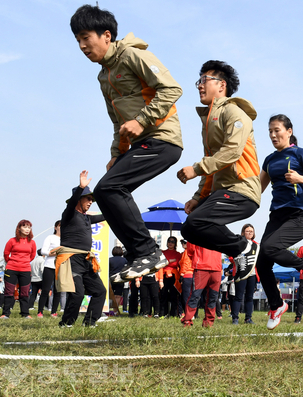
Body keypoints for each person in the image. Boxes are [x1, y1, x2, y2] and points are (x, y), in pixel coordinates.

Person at [71, 5, 183, 281]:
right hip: (139, 145)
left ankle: (148, 252)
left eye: (86, 37)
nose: (83, 46)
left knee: (111, 187)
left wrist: (143, 120)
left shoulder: (134, 55)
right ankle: (139, 256)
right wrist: (116, 153)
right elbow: (117, 121)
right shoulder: (103, 76)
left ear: (106, 35)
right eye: (78, 41)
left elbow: (172, 88)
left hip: (162, 139)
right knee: (105, 193)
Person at [179, 60, 261, 283]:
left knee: (196, 223)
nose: (199, 86)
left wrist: (196, 169)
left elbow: (232, 151)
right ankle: (242, 251)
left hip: (241, 190)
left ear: (221, 85)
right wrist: (198, 197)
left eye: (204, 80)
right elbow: (212, 163)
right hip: (222, 190)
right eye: (199, 81)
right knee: (189, 229)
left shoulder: (234, 112)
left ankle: (244, 247)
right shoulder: (208, 121)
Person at [255, 114, 303, 330]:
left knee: (269, 247)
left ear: (289, 131)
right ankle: (277, 305)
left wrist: (300, 178)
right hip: (276, 215)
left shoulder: (299, 153)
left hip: (298, 214)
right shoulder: (269, 159)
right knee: (262, 260)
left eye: (277, 130)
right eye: (270, 131)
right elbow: (258, 188)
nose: (273, 135)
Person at [56, 171, 107, 327]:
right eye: (88, 199)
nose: (91, 202)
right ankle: (66, 323)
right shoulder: (69, 214)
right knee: (77, 295)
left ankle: (89, 322)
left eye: (92, 200)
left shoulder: (87, 217)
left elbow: (106, 215)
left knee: (100, 291)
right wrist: (80, 187)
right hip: (71, 259)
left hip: (85, 261)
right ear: (79, 199)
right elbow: (71, 204)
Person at [1, 220, 37, 319]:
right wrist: (13, 262)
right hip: (11, 269)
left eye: (29, 227)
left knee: (24, 293)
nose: (27, 229)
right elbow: (6, 254)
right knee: (9, 292)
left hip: (25, 269)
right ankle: (5, 313)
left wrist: (24, 262)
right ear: (19, 228)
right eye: (25, 227)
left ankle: (25, 313)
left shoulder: (32, 242)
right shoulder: (12, 241)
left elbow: (32, 256)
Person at [181, 243, 223, 327]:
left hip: (216, 268)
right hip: (201, 267)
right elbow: (190, 250)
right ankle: (187, 320)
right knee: (195, 295)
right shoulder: (197, 232)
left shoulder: (219, 232)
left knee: (213, 296)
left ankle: (208, 322)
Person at [231, 224, 259, 325]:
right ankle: (235, 318)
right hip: (240, 273)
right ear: (243, 232)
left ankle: (248, 318)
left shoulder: (256, 245)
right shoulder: (239, 243)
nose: (250, 233)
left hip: (252, 274)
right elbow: (231, 256)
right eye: (247, 231)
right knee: (238, 296)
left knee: (250, 297)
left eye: (251, 231)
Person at [40, 221, 62, 317]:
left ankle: (54, 312)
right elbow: (43, 251)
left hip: (61, 267)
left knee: (58, 291)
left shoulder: (66, 239)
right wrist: (54, 253)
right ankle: (40, 311)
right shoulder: (50, 237)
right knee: (45, 289)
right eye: (60, 226)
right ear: (55, 227)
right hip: (49, 266)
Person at [160, 236, 182, 317]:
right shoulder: (163, 253)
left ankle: (174, 313)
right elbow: (161, 263)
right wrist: (170, 261)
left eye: (172, 242)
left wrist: (167, 262)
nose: (170, 243)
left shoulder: (178, 254)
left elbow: (177, 264)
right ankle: (163, 313)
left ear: (175, 244)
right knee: (163, 295)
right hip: (164, 275)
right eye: (169, 241)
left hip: (174, 276)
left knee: (173, 296)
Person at [109, 246, 128, 313]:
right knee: (118, 295)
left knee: (110, 295)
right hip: (120, 279)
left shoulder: (110, 259)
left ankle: (108, 308)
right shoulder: (124, 260)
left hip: (111, 279)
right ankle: (115, 310)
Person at [178, 239, 194, 315]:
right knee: (192, 295)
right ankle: (193, 313)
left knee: (186, 296)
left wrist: (182, 274)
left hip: (187, 275)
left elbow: (185, 263)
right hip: (193, 275)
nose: (183, 244)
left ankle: (188, 313)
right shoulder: (194, 252)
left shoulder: (186, 252)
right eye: (182, 243)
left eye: (185, 243)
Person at [28, 250, 46, 315]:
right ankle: (46, 306)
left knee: (33, 294)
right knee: (44, 293)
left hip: (33, 279)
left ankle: (30, 306)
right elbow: (42, 270)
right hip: (40, 279)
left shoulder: (33, 261)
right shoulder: (42, 260)